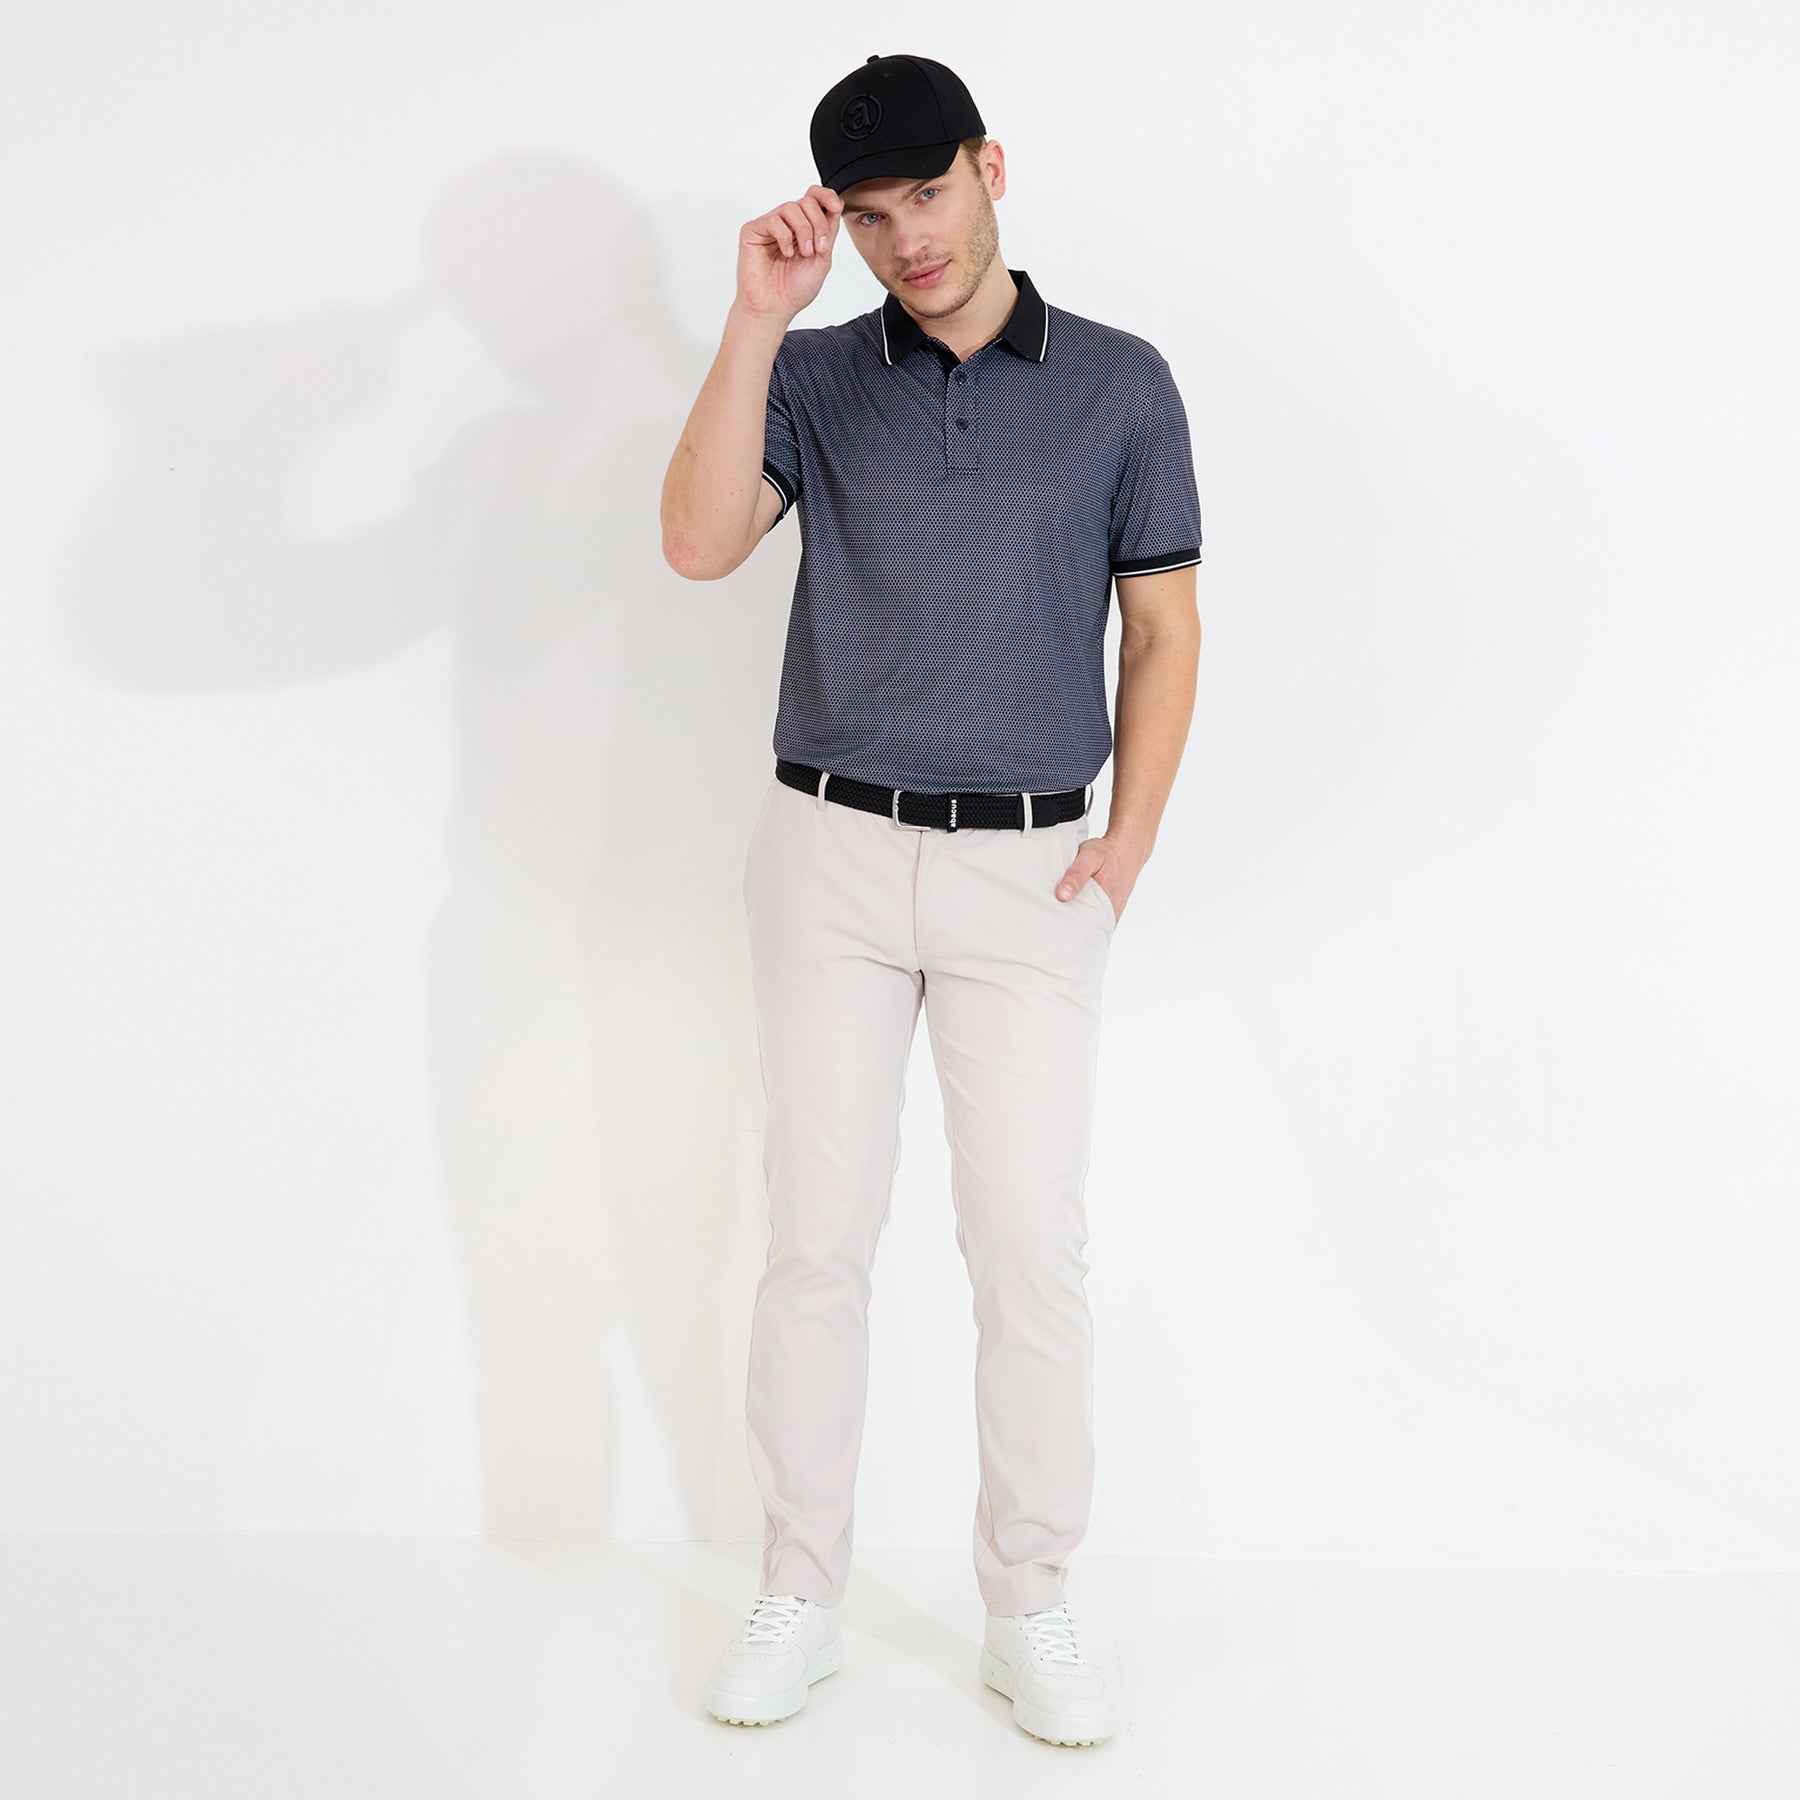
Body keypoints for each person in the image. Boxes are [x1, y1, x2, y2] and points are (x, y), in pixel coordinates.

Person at [661, 51, 1202, 1746]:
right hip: (826, 853)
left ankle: (1028, 1602)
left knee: (1029, 1246)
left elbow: (1162, 626)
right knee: (815, 1238)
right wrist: (756, 322)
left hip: (1028, 866)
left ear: (990, 168)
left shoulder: (1120, 386)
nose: (909, 241)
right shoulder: (819, 377)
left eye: (929, 195)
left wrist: (1129, 843)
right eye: (872, 216)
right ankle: (800, 1590)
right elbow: (696, 545)